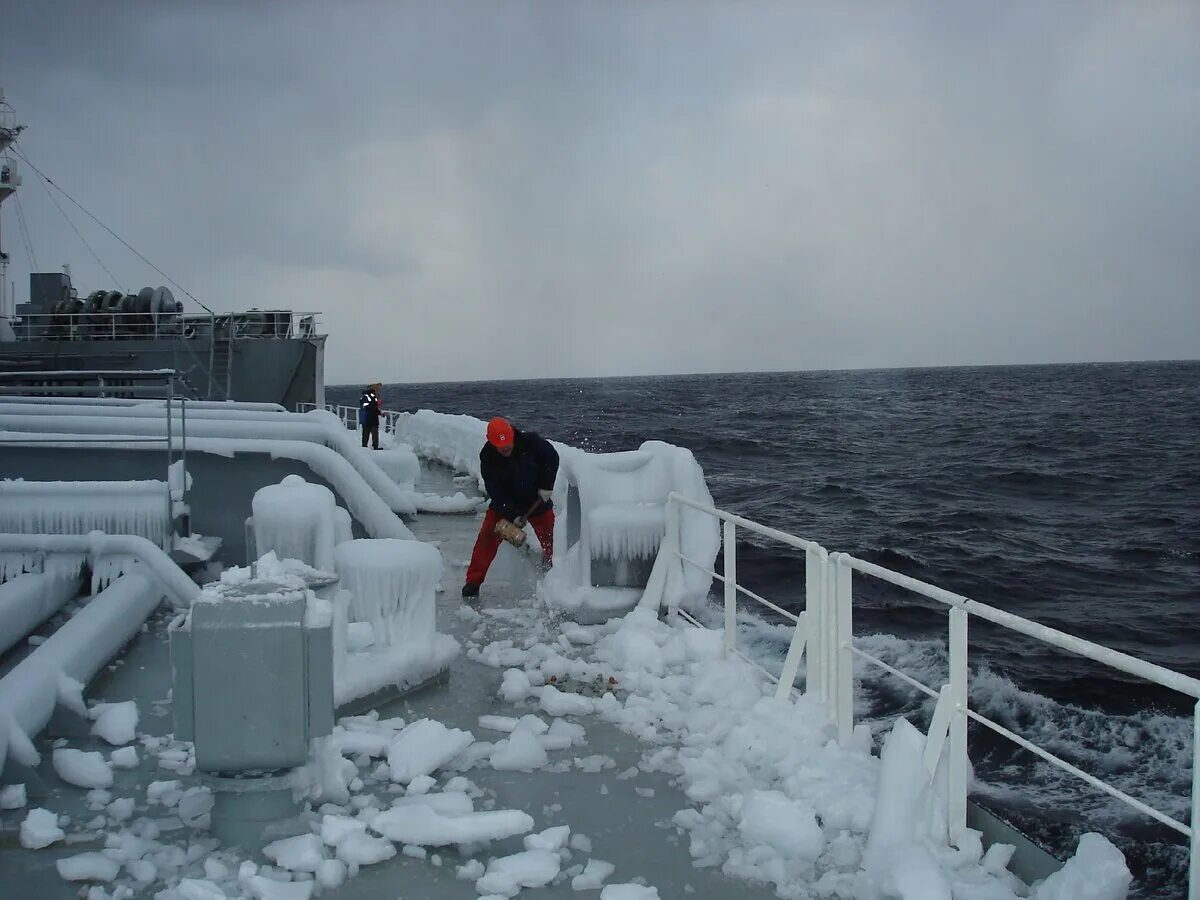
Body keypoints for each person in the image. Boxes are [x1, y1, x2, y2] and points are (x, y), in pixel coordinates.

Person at [462, 417, 559, 598]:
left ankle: (561, 577)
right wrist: (512, 513)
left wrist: (547, 485)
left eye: (507, 443)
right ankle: (473, 582)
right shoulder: (488, 457)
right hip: (505, 504)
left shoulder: (532, 443)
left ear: (512, 435)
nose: (505, 447)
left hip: (536, 500)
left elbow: (552, 459)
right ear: (490, 441)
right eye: (500, 445)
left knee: (553, 540)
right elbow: (494, 490)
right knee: (487, 539)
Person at [359, 382, 382, 449]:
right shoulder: (371, 397)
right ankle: (375, 446)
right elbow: (372, 407)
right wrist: (378, 411)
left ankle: (364, 446)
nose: (378, 390)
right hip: (371, 418)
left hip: (367, 418)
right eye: (377, 388)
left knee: (366, 433)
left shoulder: (365, 396)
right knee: (374, 433)